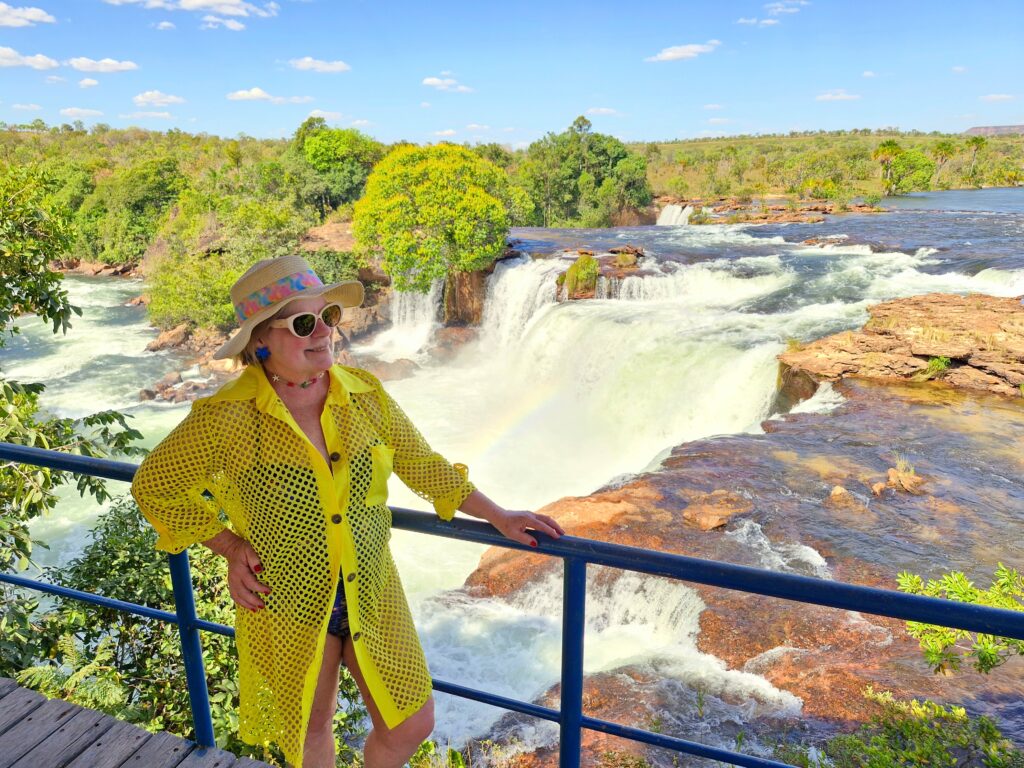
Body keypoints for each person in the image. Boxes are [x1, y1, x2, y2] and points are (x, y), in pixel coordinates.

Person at [131, 255, 564, 768]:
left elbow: (421, 464)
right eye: (303, 323)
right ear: (260, 341)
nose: (323, 333)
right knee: (311, 729)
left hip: (372, 589)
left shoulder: (364, 396)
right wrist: (229, 546)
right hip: (285, 597)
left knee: (410, 722)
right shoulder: (227, 416)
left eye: (328, 317)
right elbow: (154, 486)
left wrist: (497, 515)